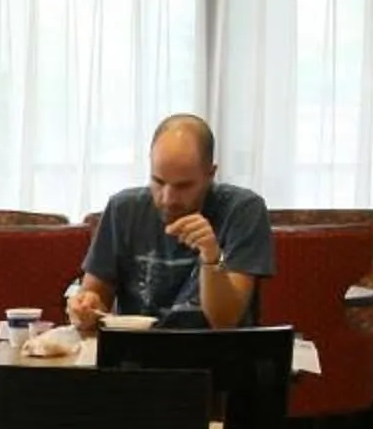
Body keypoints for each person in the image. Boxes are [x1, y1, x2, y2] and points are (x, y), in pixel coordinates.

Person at [67, 114, 275, 333]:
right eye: (158, 181)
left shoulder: (242, 210)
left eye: (183, 186)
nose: (168, 199)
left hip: (217, 357)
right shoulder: (123, 209)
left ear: (210, 175)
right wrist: (85, 309)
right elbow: (93, 298)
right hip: (136, 356)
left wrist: (211, 260)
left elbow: (224, 322)